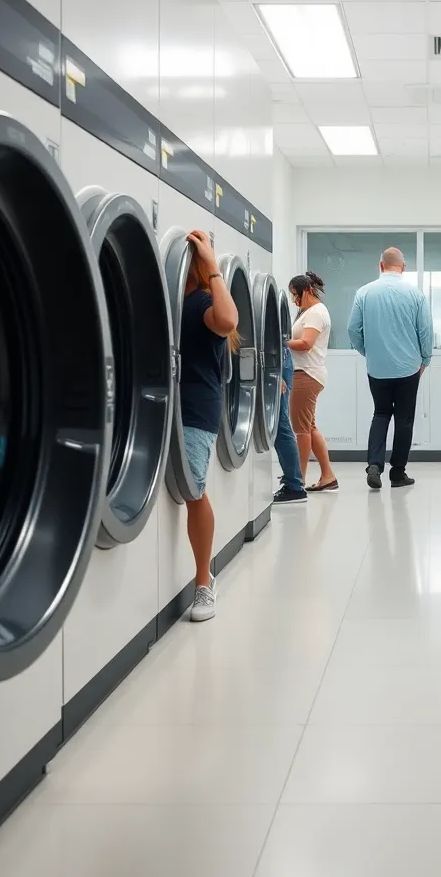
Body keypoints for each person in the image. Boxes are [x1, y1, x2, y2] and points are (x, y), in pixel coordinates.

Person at [180, 230, 239, 621]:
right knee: (190, 489)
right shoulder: (170, 302)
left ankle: (204, 582)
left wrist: (213, 266)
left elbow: (228, 319)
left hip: (196, 409)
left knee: (193, 489)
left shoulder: (203, 300)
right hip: (162, 406)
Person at [348, 247, 433, 490]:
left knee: (381, 413)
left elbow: (353, 330)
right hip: (409, 368)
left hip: (377, 369)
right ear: (403, 267)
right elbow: (425, 332)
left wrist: (367, 351)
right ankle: (398, 473)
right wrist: (425, 360)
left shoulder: (364, 292)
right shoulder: (415, 294)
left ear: (381, 265)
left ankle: (374, 465)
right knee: (404, 419)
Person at [286, 271, 338, 492]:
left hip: (306, 374)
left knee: (301, 430)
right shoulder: (311, 311)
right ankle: (328, 476)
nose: (295, 300)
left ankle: (298, 481)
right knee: (309, 427)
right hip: (307, 373)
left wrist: (281, 342)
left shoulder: (316, 313)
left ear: (308, 290)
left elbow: (306, 343)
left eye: (297, 295)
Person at [272, 319, 306, 505]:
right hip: (277, 359)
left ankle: (294, 486)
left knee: (281, 425)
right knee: (280, 425)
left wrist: (275, 373)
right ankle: (293, 483)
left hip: (276, 359)